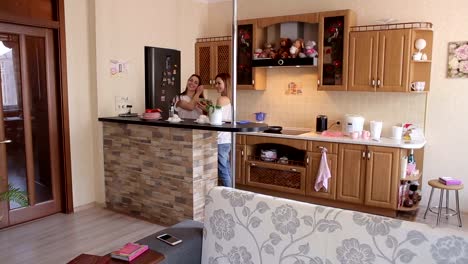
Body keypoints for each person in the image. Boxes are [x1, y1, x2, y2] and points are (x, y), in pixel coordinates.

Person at [213, 73, 232, 187]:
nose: (216, 85)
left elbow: (215, 119)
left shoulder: (221, 99)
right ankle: (232, 192)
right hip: (227, 139)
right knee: (226, 167)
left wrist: (208, 110)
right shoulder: (230, 98)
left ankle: (229, 195)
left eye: (219, 83)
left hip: (220, 139)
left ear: (226, 83)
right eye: (216, 83)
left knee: (222, 169)